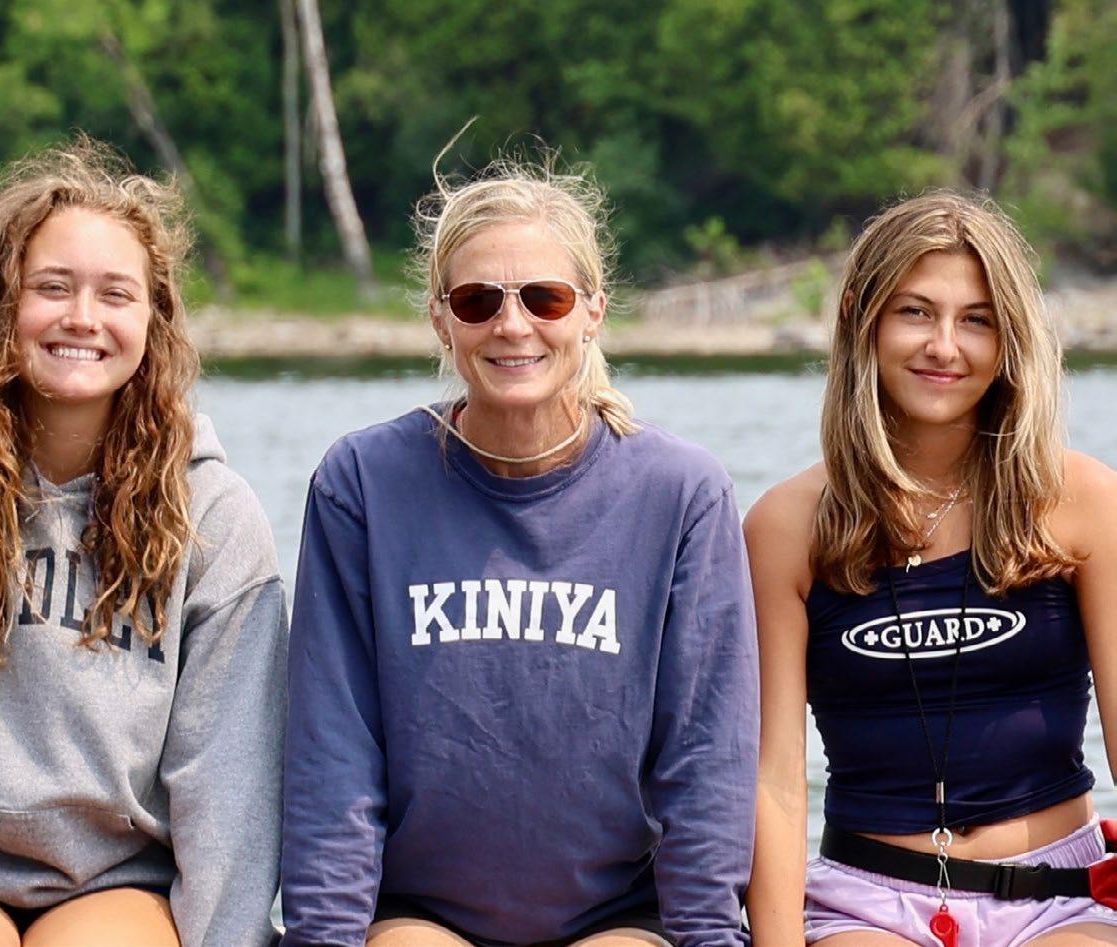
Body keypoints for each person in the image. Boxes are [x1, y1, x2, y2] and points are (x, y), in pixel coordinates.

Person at [281, 152, 758, 947]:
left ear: (593, 310)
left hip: (618, 920)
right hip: (420, 918)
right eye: (478, 300)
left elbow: (705, 759)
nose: (512, 324)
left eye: (545, 297)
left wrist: (708, 937)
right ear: (441, 319)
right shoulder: (361, 483)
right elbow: (335, 751)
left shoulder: (681, 494)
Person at [0, 140, 287, 947]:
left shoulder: (213, 515)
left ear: (153, 318)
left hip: (119, 879)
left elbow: (230, 782)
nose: (83, 317)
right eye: (52, 287)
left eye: (116, 293)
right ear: (0, 304)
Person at [745, 191, 1117, 946]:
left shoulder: (1083, 501)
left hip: (1062, 900)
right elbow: (775, 783)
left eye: (976, 319)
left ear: (1010, 340)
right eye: (915, 312)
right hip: (865, 905)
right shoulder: (784, 527)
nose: (944, 346)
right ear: (861, 317)